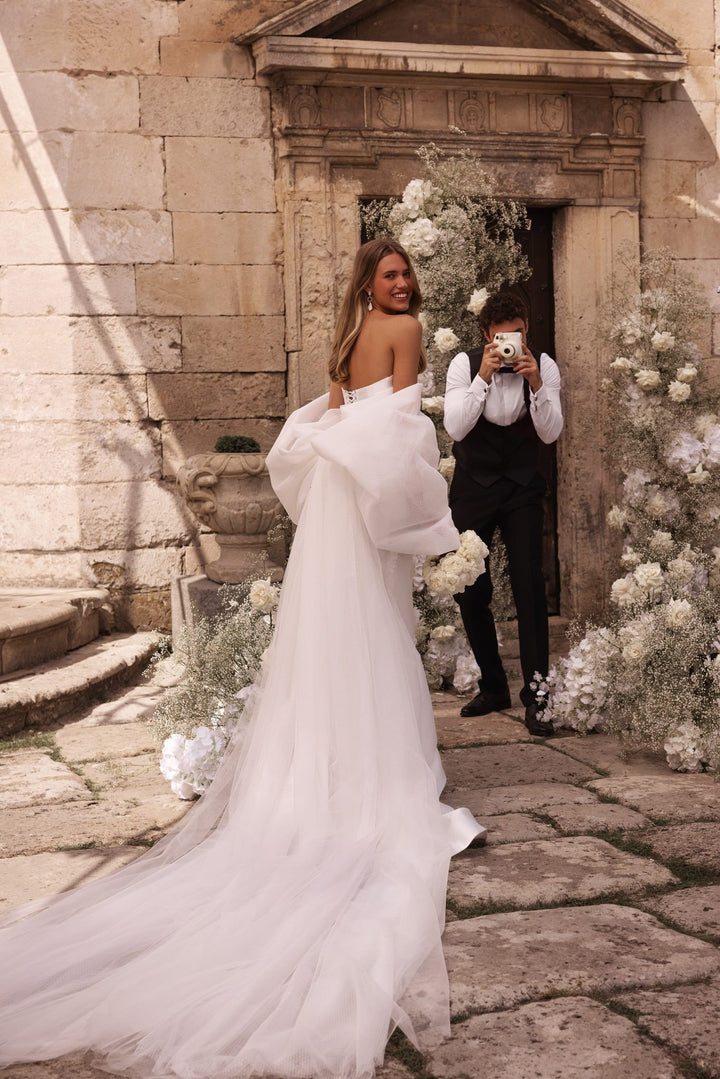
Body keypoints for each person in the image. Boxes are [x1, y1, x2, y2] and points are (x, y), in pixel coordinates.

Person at [0, 239, 483, 1079]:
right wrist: (421, 503)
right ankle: (378, 776)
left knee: (337, 629)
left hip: (336, 493)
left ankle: (334, 768)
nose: (402, 284)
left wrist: (348, 447)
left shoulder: (350, 330)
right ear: (372, 280)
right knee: (372, 623)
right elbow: (400, 425)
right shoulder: (405, 331)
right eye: (391, 274)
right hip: (360, 495)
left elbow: (337, 417)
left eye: (406, 275)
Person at [443, 289, 563, 736]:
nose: (508, 343)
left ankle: (538, 698)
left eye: (515, 334)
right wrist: (484, 377)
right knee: (470, 588)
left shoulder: (544, 366)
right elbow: (455, 426)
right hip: (474, 488)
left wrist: (536, 384)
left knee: (530, 586)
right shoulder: (464, 364)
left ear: (526, 330)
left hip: (521, 488)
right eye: (499, 337)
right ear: (486, 335)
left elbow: (550, 434)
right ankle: (494, 686)